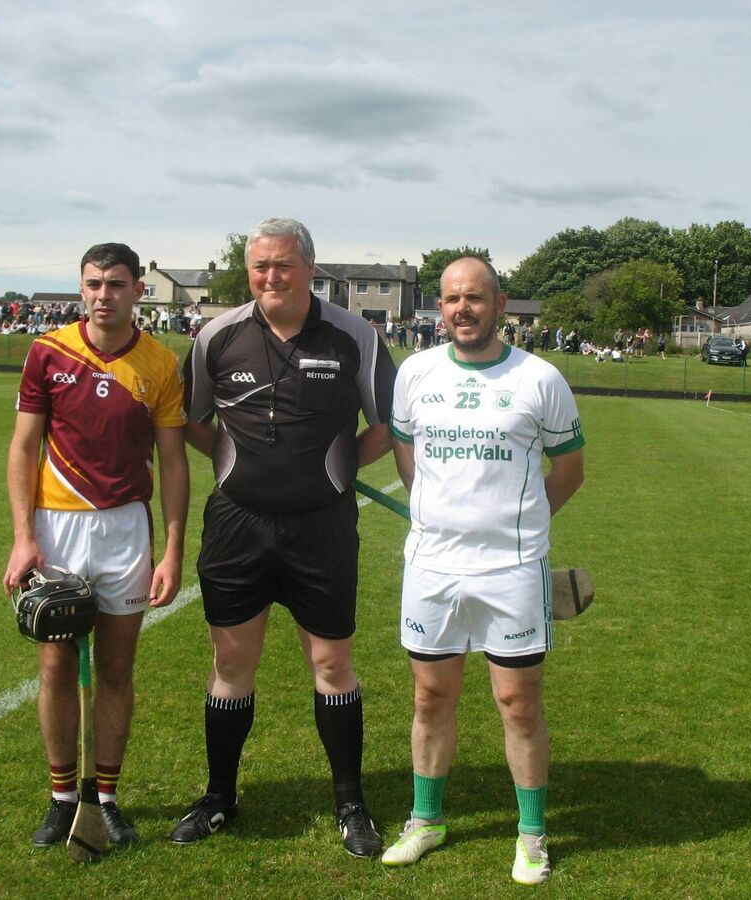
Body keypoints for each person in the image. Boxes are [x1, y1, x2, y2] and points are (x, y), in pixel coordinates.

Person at [173, 217, 396, 858]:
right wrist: (234, 465)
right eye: (261, 266)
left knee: (331, 663)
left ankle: (351, 803)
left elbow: (387, 424)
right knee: (231, 663)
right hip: (237, 525)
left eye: (284, 264)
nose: (272, 276)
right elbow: (192, 420)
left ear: (310, 268)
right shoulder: (217, 335)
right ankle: (219, 798)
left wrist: (335, 470)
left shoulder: (355, 334)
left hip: (322, 526)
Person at [383, 257, 585, 884]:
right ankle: (426, 819)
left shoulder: (540, 378)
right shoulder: (415, 373)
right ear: (438, 308)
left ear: (501, 303)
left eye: (474, 297)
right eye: (450, 299)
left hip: (511, 570)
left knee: (518, 704)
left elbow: (569, 469)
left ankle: (531, 834)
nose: (461, 309)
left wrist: (518, 527)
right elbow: (407, 455)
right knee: (429, 695)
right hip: (433, 566)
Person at [2, 242, 189, 849]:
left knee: (115, 668)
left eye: (115, 284)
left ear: (139, 290)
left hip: (125, 529)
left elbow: (173, 460)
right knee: (56, 665)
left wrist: (173, 549)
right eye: (92, 284)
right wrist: (23, 538)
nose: (103, 294)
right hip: (57, 527)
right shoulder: (48, 352)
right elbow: (23, 449)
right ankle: (61, 799)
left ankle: (104, 798)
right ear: (80, 288)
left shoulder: (161, 363)